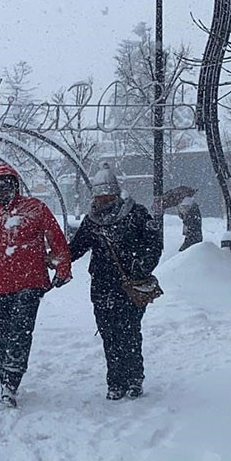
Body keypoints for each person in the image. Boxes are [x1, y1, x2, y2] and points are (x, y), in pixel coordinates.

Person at [0, 163, 72, 408]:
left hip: (30, 283)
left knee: (20, 333)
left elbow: (56, 239)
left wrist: (63, 268)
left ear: (16, 185)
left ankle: (12, 381)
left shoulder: (34, 208)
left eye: (7, 184)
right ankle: (4, 374)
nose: (3, 190)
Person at [68, 167, 163, 400]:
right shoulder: (92, 221)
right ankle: (116, 381)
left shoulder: (136, 214)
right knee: (109, 335)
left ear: (116, 193)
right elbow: (76, 248)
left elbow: (154, 244)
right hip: (102, 286)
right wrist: (55, 258)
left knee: (129, 333)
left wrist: (141, 266)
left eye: (107, 195)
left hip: (129, 286)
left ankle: (134, 379)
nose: (103, 200)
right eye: (99, 196)